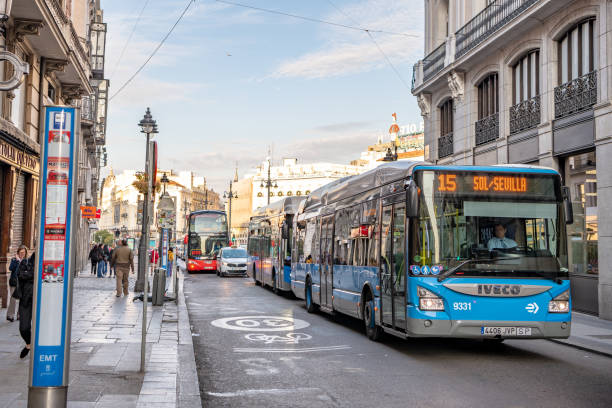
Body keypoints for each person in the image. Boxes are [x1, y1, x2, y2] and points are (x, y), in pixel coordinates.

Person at [17, 252, 35, 358]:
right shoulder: (26, 261)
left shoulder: (47, 263)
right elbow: (20, 274)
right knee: (23, 328)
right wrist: (34, 274)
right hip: (25, 300)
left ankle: (31, 346)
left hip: (43, 302)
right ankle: (29, 343)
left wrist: (28, 274)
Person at [6, 245, 27, 322]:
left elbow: (25, 270)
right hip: (14, 282)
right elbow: (10, 268)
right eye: (21, 252)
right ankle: (10, 315)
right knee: (13, 299)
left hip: (23, 282)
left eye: (23, 252)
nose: (22, 254)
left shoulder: (26, 260)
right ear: (18, 252)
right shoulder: (14, 260)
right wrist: (17, 261)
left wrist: (20, 261)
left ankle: (19, 314)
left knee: (22, 299)